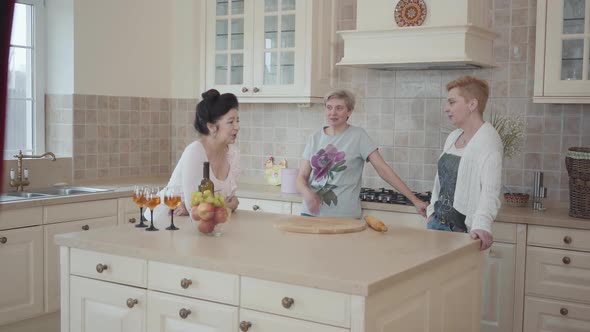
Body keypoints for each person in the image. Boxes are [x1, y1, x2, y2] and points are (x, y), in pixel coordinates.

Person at [296, 89, 428, 219]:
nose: (333, 113)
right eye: (329, 107)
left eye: (339, 108)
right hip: (310, 215)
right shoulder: (315, 138)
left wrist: (414, 200)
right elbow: (301, 177)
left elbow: (383, 169)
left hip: (344, 217)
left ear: (350, 111)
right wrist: (307, 194)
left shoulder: (358, 136)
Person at [426, 76, 503, 251]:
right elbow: (439, 181)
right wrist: (431, 213)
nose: (446, 108)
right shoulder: (453, 137)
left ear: (472, 104)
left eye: (452, 102)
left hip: (463, 233)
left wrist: (481, 225)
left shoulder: (488, 141)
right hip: (436, 226)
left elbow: (490, 191)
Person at [149, 89, 241, 221]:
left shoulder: (232, 154)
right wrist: (230, 205)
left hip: (196, 226)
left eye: (237, 120)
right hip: (164, 222)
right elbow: (196, 208)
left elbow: (223, 201)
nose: (237, 127)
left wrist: (227, 204)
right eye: (231, 122)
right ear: (211, 127)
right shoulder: (194, 152)